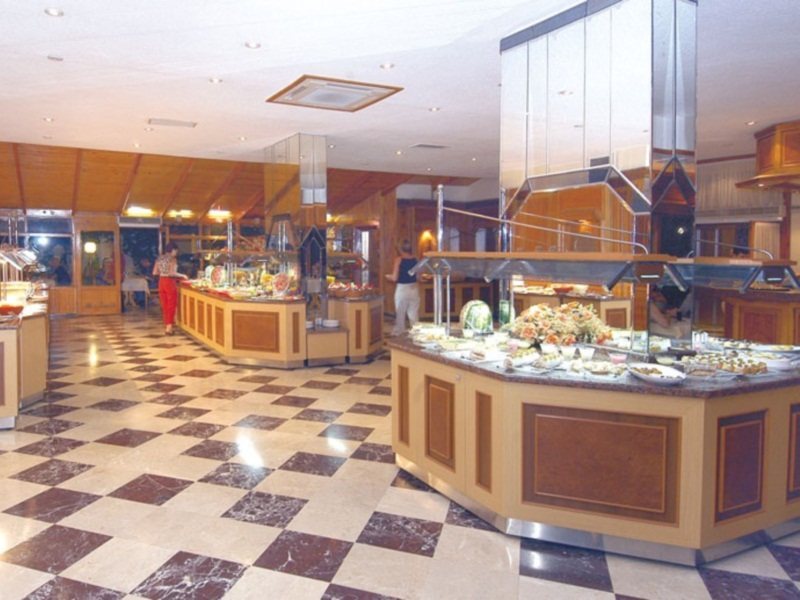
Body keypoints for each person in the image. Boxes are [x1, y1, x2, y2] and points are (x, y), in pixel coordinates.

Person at [385, 239, 420, 336]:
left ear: (400, 249)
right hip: (414, 288)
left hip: (402, 288)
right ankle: (416, 333)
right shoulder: (416, 259)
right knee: (413, 313)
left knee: (400, 313)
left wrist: (388, 276)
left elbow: (394, 278)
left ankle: (399, 332)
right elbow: (418, 277)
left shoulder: (399, 260)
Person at [152, 242, 186, 335]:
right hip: (169, 282)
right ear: (173, 250)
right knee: (171, 304)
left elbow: (154, 272)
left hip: (161, 282)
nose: (176, 253)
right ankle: (169, 327)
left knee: (164, 305)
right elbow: (172, 273)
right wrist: (183, 275)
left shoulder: (159, 258)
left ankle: (167, 325)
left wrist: (163, 272)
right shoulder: (172, 259)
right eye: (176, 251)